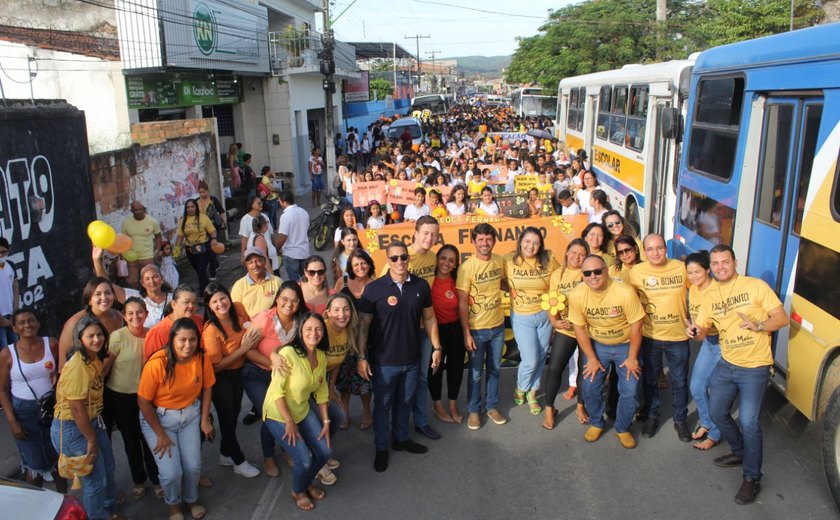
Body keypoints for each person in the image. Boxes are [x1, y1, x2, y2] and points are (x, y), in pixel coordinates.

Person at [688, 244, 788, 505]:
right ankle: (741, 451)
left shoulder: (755, 286)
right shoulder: (709, 295)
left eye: (726, 262)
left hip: (754, 367)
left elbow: (781, 318)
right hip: (727, 363)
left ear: (734, 263)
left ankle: (752, 477)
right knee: (717, 411)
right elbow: (702, 329)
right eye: (716, 263)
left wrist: (759, 325)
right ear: (711, 266)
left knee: (748, 422)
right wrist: (694, 332)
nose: (721, 267)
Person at [356, 241, 442, 473]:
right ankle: (382, 447)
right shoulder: (374, 289)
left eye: (403, 257)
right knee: (382, 406)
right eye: (394, 258)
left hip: (412, 359)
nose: (400, 262)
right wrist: (361, 357)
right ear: (388, 261)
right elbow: (362, 325)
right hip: (383, 362)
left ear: (408, 258)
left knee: (405, 401)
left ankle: (401, 439)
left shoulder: (421, 286)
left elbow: (430, 319)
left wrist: (436, 347)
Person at [138, 318, 215, 520]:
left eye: (192, 340)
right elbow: (144, 402)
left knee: (193, 466)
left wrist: (205, 419)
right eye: (182, 340)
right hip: (159, 420)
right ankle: (173, 505)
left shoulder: (202, 357)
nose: (187, 345)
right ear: (172, 339)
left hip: (190, 416)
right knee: (171, 472)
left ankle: (191, 499)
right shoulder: (156, 363)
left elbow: (207, 387)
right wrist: (160, 434)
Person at [568, 255, 645, 449]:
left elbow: (637, 324)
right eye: (587, 273)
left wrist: (633, 357)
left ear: (606, 271)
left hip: (625, 345)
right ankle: (596, 422)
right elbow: (579, 329)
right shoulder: (577, 295)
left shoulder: (624, 291)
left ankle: (623, 427)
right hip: (597, 346)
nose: (593, 276)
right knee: (590, 387)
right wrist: (591, 358)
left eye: (597, 271)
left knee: (630, 390)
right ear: (582, 275)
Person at [52, 315, 124, 520]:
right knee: (95, 481)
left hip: (93, 421)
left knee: (108, 468)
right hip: (74, 428)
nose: (96, 339)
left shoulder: (94, 358)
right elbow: (76, 409)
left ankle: (110, 511)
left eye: (99, 334)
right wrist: (91, 439)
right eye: (90, 336)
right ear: (80, 339)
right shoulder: (77, 365)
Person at [263, 312, 332, 512]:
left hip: (301, 410)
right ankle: (298, 491)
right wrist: (289, 422)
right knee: (303, 459)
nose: (314, 333)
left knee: (325, 451)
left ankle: (307, 482)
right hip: (278, 413)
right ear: (300, 332)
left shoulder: (320, 356)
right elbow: (277, 391)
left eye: (318, 329)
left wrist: (326, 423)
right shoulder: (288, 354)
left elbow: (321, 391)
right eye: (308, 328)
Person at [628, 233, 692, 442]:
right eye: (650, 249)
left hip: (678, 336)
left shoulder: (681, 268)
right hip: (650, 336)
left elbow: (702, 289)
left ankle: (680, 419)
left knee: (680, 381)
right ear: (644, 252)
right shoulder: (637, 272)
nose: (655, 253)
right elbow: (628, 301)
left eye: (659, 248)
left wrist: (698, 319)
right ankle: (653, 415)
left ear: (666, 248)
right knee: (651, 379)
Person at [101, 298, 161, 500]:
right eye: (130, 313)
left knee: (150, 440)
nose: (135, 317)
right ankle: (139, 481)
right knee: (131, 441)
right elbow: (105, 368)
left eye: (139, 312)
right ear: (124, 316)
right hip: (120, 398)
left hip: (146, 397)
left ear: (146, 313)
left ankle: (157, 480)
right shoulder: (117, 337)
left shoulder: (152, 335)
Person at [201, 283, 262, 478]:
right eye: (215, 301)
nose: (221, 304)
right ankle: (238, 460)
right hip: (222, 378)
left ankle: (225, 452)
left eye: (222, 298)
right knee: (227, 418)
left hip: (239, 373)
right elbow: (216, 366)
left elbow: (252, 327)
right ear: (209, 306)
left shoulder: (238, 308)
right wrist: (243, 349)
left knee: (234, 414)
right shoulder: (210, 331)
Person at [0, 309, 65, 491]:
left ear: (38, 323)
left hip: (52, 408)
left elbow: (63, 373)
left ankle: (63, 504)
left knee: (58, 460)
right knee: (34, 466)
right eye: (21, 322)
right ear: (14, 328)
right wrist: (13, 422)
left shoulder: (51, 344)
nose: (27, 325)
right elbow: (2, 389)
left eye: (31, 320)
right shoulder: (7, 354)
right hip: (24, 413)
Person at [246, 281, 306, 478]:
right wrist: (272, 363)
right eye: (284, 299)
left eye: (294, 300)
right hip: (258, 374)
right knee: (271, 414)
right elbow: (247, 350)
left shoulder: (300, 321)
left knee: (285, 412)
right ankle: (268, 456)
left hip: (282, 377)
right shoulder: (264, 319)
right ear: (277, 299)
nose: (289, 304)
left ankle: (286, 449)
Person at [458, 223, 507, 430]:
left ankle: (491, 406)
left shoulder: (499, 261)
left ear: (494, 241)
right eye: (481, 239)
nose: (485, 243)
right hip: (476, 330)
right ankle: (473, 410)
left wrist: (515, 290)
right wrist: (466, 333)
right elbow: (462, 302)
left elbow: (502, 282)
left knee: (495, 370)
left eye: (489, 239)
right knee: (476, 373)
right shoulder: (466, 267)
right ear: (474, 242)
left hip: (497, 326)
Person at [504, 227, 559, 416]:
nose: (531, 246)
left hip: (545, 316)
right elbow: (501, 280)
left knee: (542, 356)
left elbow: (561, 280)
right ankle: (521, 387)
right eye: (527, 241)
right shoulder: (509, 261)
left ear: (541, 245)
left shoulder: (549, 260)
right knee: (531, 359)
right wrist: (511, 289)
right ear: (520, 242)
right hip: (521, 316)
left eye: (536, 243)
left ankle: (533, 393)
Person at [543, 239, 590, 429]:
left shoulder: (588, 272)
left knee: (585, 371)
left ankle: (581, 406)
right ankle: (549, 409)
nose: (577, 257)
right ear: (567, 253)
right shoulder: (557, 274)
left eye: (581, 254)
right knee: (554, 368)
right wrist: (554, 322)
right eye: (574, 252)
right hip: (567, 330)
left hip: (588, 330)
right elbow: (551, 300)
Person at [684, 250, 722, 451]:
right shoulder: (693, 289)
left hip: (724, 344)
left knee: (714, 391)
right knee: (697, 387)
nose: (693, 277)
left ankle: (714, 434)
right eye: (690, 273)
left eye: (697, 272)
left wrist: (697, 331)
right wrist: (691, 327)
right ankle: (706, 422)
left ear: (708, 270)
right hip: (708, 341)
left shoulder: (717, 291)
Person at [335, 249, 376, 430]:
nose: (360, 267)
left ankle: (367, 411)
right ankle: (344, 412)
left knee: (365, 380)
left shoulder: (375, 285)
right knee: (343, 381)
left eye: (363, 263)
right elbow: (333, 307)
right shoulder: (342, 282)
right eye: (356, 264)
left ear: (369, 264)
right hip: (344, 340)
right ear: (350, 267)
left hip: (368, 341)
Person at [428, 245, 466, 424]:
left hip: (455, 328)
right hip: (435, 330)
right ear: (436, 259)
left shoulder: (458, 280)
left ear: (456, 264)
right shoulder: (428, 279)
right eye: (443, 258)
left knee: (456, 368)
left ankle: (452, 403)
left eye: (451, 260)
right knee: (435, 369)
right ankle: (437, 404)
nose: (446, 263)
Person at [92, 248, 172, 329]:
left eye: (155, 277)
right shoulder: (136, 297)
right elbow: (107, 286)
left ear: (162, 279)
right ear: (142, 283)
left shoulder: (174, 298)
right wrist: (97, 260)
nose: (152, 281)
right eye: (147, 278)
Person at [58, 277, 125, 371]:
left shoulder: (118, 317)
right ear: (89, 300)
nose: (104, 298)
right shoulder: (73, 324)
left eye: (108, 293)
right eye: (98, 294)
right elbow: (62, 366)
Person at [143, 284, 204, 361]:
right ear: (174, 304)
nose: (191, 306)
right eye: (186, 302)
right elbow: (153, 365)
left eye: (194, 302)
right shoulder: (158, 332)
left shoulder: (200, 321)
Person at [174, 199, 218, 294]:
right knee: (198, 271)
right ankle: (207, 286)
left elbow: (212, 230)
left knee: (201, 269)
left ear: (196, 207)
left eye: (192, 206)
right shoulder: (183, 220)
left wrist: (214, 239)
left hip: (203, 248)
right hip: (190, 249)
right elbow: (180, 236)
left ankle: (204, 291)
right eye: (188, 207)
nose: (190, 209)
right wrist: (176, 248)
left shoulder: (203, 218)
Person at [230, 246, 284, 319]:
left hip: (273, 325)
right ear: (246, 265)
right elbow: (235, 312)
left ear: (264, 261)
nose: (255, 265)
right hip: (250, 327)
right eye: (251, 262)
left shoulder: (277, 281)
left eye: (258, 260)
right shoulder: (239, 286)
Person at [120, 202, 162, 288]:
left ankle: (149, 298)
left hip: (147, 257)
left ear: (143, 209)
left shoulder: (152, 221)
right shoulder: (126, 223)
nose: (138, 212)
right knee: (131, 281)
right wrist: (122, 252)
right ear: (131, 211)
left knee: (150, 281)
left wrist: (158, 250)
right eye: (135, 210)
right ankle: (138, 298)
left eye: (140, 209)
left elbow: (158, 236)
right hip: (131, 257)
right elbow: (123, 238)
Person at [277, 190, 311, 282]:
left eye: (279, 201)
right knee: (306, 280)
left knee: (295, 283)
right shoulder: (304, 212)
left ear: (284, 202)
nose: (279, 203)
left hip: (291, 254)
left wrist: (276, 249)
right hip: (304, 252)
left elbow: (282, 237)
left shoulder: (285, 216)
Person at [196, 182, 226, 280]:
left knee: (212, 249)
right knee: (205, 250)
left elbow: (221, 211)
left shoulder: (213, 200)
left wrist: (223, 221)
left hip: (213, 228)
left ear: (207, 191)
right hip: (201, 230)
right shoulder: (196, 202)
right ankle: (214, 264)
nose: (202, 194)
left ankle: (213, 272)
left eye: (203, 192)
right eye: (200, 192)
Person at [238, 196, 274, 262]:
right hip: (255, 255)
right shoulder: (245, 219)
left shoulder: (265, 216)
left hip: (270, 252)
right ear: (252, 205)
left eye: (261, 203)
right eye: (259, 203)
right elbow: (244, 239)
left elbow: (271, 234)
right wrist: (243, 255)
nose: (261, 204)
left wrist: (275, 248)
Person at [0, 238, 18, 348]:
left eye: (3, 252)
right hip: (0, 317)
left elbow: (16, 288)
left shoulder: (10, 265)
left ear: (8, 250)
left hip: (12, 315)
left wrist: (15, 313)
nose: (1, 256)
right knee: (4, 350)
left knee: (16, 347)